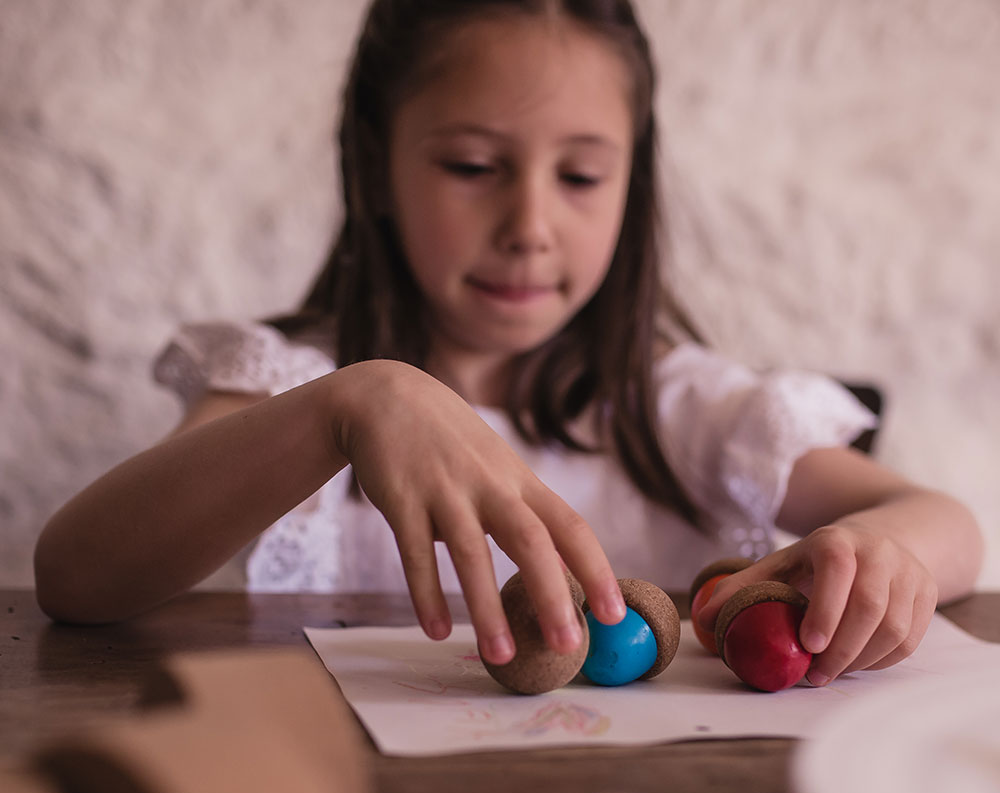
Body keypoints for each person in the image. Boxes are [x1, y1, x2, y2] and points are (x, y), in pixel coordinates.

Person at [34, 0, 982, 687]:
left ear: (631, 184)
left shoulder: (683, 409)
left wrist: (881, 552)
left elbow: (947, 524)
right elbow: (76, 577)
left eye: (579, 175)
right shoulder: (293, 385)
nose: (530, 222)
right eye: (474, 166)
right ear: (374, 164)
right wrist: (350, 406)